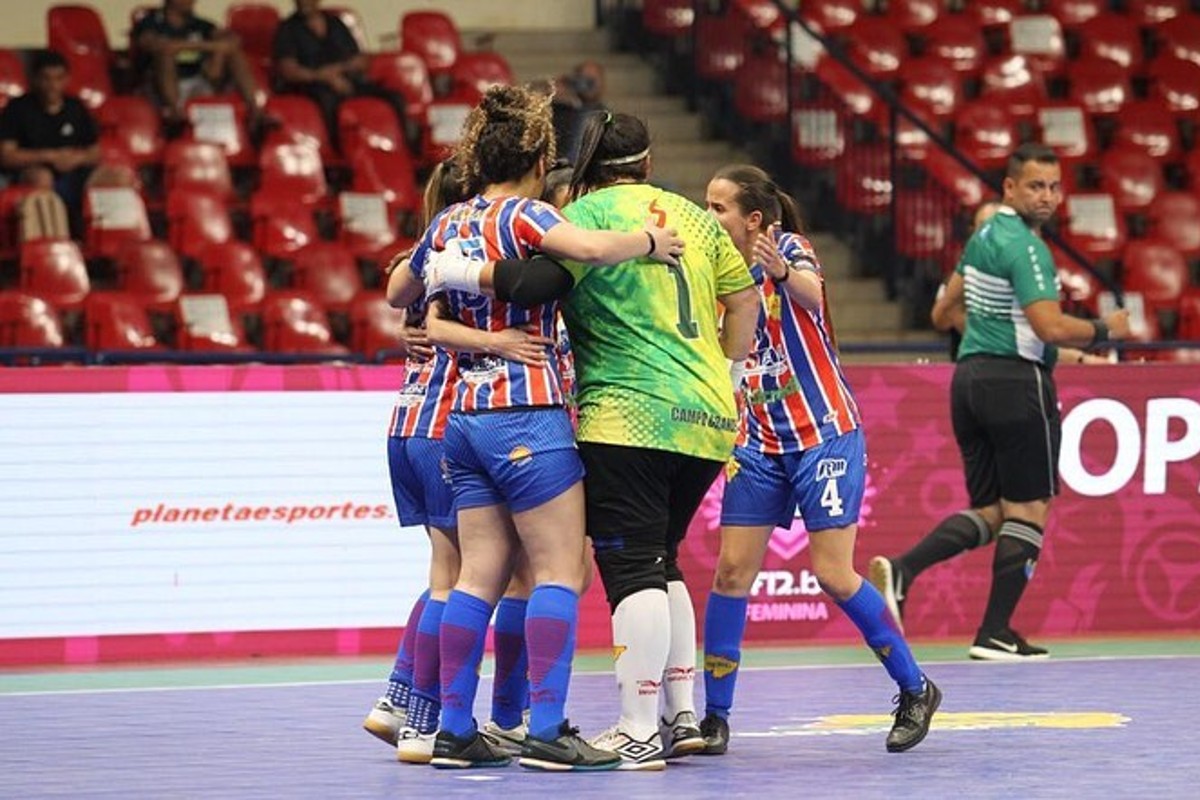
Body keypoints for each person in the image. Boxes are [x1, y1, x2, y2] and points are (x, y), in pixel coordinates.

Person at [413, 85, 684, 772]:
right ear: (538, 157)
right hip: (529, 414)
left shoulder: (447, 223)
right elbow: (589, 246)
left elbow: (416, 304)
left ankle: (451, 730)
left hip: (464, 419)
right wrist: (651, 239)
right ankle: (546, 727)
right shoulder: (526, 215)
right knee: (560, 570)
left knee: (476, 577)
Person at [698, 164, 941, 756]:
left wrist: (781, 271)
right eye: (704, 206)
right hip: (757, 442)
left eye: (719, 208)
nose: (708, 217)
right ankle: (714, 718)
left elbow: (810, 291)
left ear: (754, 220)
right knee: (731, 574)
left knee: (833, 573)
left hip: (823, 434)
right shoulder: (707, 270)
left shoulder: (789, 246)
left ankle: (915, 688)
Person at [869, 143, 1131, 661]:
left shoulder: (983, 235)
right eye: (1036, 185)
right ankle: (993, 632)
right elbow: (1049, 327)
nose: (1048, 197)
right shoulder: (1027, 247)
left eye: (1055, 187)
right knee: (1031, 508)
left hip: (969, 380)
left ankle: (903, 570)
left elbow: (943, 311)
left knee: (993, 511)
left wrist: (992, 335)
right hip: (1017, 384)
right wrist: (1106, 328)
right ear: (1009, 188)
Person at [555, 112, 758, 770]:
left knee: (632, 566)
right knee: (662, 558)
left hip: (629, 414)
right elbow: (747, 302)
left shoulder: (582, 216)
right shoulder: (693, 216)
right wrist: (722, 371)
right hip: (707, 416)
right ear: (647, 162)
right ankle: (682, 715)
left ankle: (636, 728)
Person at [362, 161, 548, 763]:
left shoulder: (426, 253)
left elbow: (399, 295)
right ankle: (439, 720)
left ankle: (400, 701)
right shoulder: (475, 245)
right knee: (480, 576)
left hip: (410, 423)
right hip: (453, 422)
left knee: (452, 570)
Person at [272, 0, 404, 145]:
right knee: (328, 100)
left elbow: (361, 60)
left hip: (346, 78)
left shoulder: (336, 24)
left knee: (394, 97)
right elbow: (288, 71)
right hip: (312, 86)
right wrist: (323, 77)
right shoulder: (287, 29)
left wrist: (340, 70)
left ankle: (404, 146)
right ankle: (337, 152)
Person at [0, 50, 100, 234]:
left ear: (67, 79)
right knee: (42, 177)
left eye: (58, 78)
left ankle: (109, 241)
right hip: (33, 172)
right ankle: (53, 241)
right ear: (35, 80)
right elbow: (7, 155)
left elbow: (95, 152)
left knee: (117, 176)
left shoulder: (76, 108)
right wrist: (49, 156)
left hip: (75, 172)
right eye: (46, 79)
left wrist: (75, 159)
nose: (53, 85)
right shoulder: (18, 109)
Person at [133, 0, 261, 123]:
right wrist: (214, 46)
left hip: (199, 80)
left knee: (234, 54)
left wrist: (217, 50)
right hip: (162, 86)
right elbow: (159, 45)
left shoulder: (201, 24)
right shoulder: (150, 23)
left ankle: (256, 110)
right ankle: (175, 111)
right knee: (165, 55)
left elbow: (233, 42)